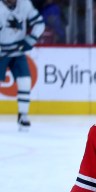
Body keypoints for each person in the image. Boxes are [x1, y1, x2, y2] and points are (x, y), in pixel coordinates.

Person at [0, 0, 44, 131]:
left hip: (18, 52)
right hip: (1, 53)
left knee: (25, 81)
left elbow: (39, 23)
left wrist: (31, 39)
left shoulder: (24, 4)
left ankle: (23, 115)